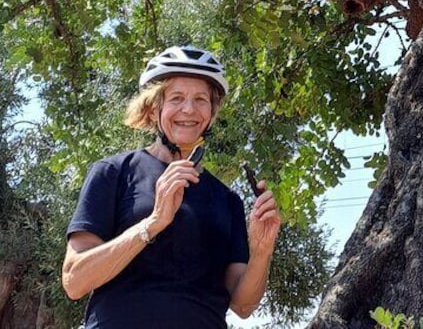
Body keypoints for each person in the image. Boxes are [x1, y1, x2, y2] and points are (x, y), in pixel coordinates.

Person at [62, 46, 281, 328]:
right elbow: (74, 281)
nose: (189, 109)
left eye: (200, 99)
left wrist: (262, 250)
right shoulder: (114, 172)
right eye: (177, 98)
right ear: (154, 108)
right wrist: (152, 224)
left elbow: (242, 305)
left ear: (211, 113)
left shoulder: (227, 200)